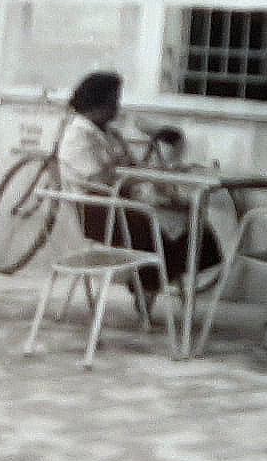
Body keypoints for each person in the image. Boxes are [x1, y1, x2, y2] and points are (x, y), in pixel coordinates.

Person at [55, 71, 221, 297]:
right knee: (162, 229)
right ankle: (147, 283)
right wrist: (139, 177)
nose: (117, 106)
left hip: (123, 205)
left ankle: (147, 283)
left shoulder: (110, 134)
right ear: (98, 102)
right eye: (113, 100)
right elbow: (100, 179)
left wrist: (153, 174)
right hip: (98, 212)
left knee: (191, 221)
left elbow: (131, 166)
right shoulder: (78, 135)